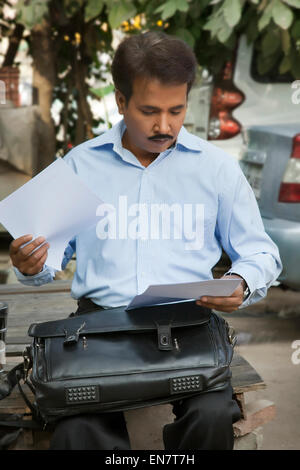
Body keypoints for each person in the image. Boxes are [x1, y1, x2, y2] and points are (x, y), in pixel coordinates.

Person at [9, 32, 282, 450]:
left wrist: (242, 282)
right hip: (98, 331)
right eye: (149, 111)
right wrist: (31, 264)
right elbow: (48, 258)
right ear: (121, 102)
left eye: (177, 110)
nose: (164, 126)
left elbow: (261, 252)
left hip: (189, 326)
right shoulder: (80, 165)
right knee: (76, 429)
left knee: (212, 416)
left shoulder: (216, 170)